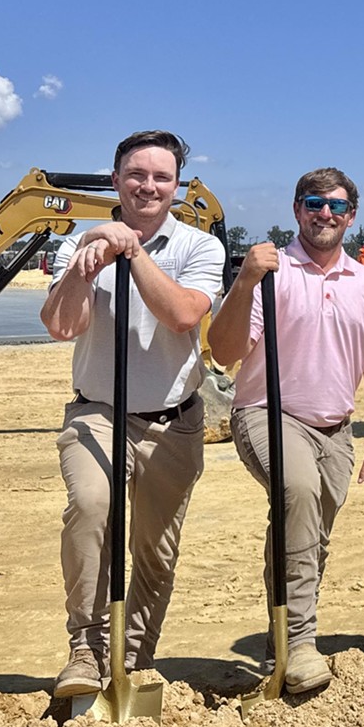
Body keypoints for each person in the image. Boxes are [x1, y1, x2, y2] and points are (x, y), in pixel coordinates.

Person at [41, 130, 226, 697]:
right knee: (92, 507)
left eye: (161, 177)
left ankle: (136, 656)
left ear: (178, 187)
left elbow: (181, 316)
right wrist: (85, 264)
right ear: (116, 178)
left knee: (156, 547)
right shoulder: (78, 242)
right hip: (98, 412)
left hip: (175, 419)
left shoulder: (201, 247)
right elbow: (61, 326)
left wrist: (132, 251)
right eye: (137, 175)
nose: (148, 186)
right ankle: (87, 649)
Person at [209, 168, 364, 693]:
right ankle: (303, 643)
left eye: (336, 206)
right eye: (314, 203)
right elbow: (224, 353)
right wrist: (244, 280)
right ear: (297, 210)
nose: (325, 214)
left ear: (352, 216)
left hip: (336, 429)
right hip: (267, 414)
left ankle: (279, 643)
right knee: (299, 492)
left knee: (310, 533)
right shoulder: (271, 273)